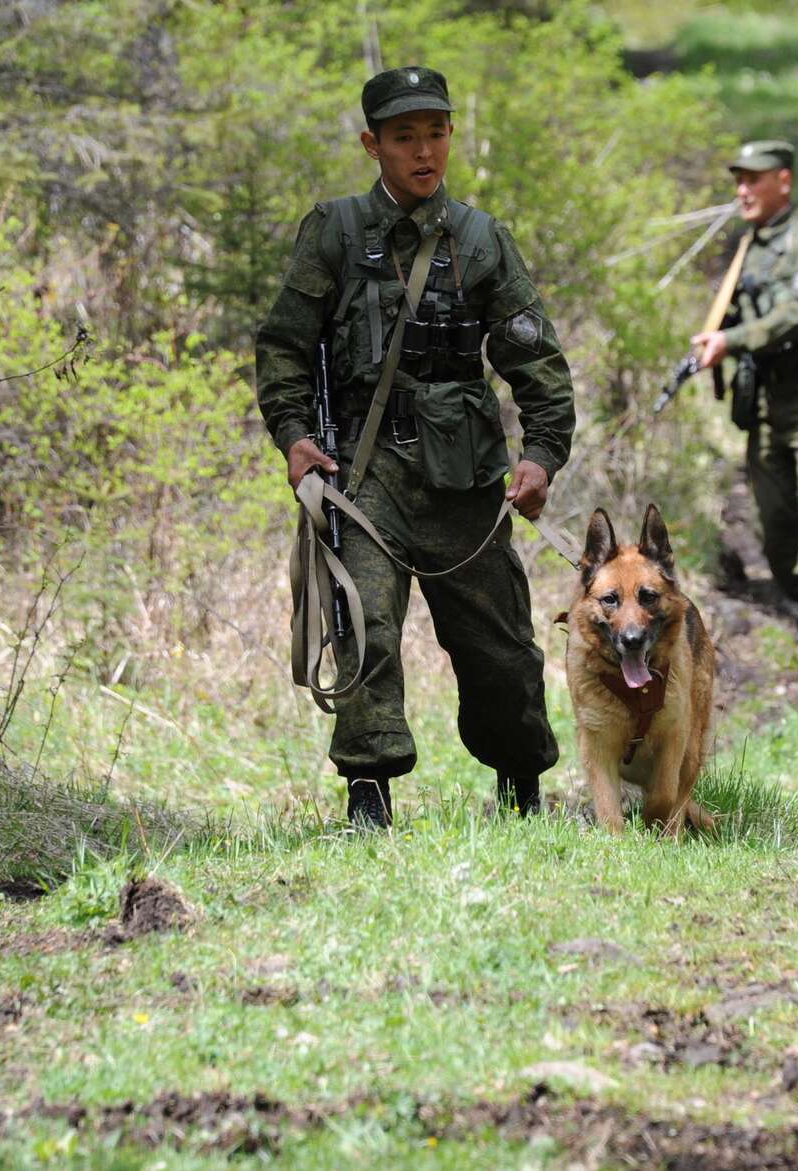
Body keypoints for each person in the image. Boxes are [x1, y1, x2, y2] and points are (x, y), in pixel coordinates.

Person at [253, 66, 576, 828]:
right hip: (364, 476)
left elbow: (536, 356)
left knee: (501, 645)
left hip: (466, 478)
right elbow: (282, 348)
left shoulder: (480, 237)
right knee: (362, 626)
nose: (424, 150)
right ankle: (369, 797)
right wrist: (296, 438)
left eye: (435, 132)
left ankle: (521, 787)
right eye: (404, 136)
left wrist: (543, 455)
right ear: (373, 144)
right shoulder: (333, 231)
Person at [691, 140, 798, 652]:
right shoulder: (751, 246)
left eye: (753, 179)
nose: (743, 191)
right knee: (773, 513)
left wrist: (733, 342)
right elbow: (745, 312)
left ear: (783, 180)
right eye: (738, 180)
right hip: (768, 398)